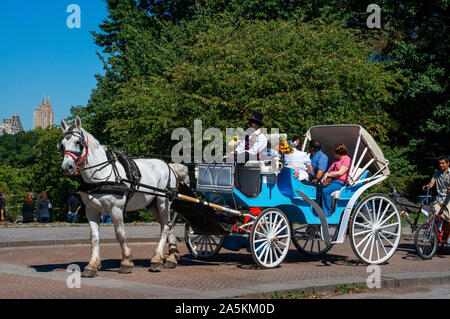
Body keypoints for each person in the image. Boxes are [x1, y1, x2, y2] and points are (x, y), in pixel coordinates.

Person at [320, 144, 351, 216]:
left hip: (341, 183)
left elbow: (340, 172)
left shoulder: (347, 160)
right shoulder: (336, 161)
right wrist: (324, 178)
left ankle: (327, 213)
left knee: (325, 191)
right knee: (317, 189)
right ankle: (318, 211)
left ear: (338, 153)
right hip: (333, 182)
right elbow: (329, 170)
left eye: (334, 152)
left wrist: (328, 175)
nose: (333, 153)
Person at [422, 156, 450, 237]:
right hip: (439, 198)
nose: (441, 165)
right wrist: (426, 186)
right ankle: (433, 234)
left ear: (448, 163)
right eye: (439, 163)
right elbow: (431, 183)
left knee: (449, 219)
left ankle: (448, 235)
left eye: (443, 163)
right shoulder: (436, 173)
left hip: (449, 199)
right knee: (432, 215)